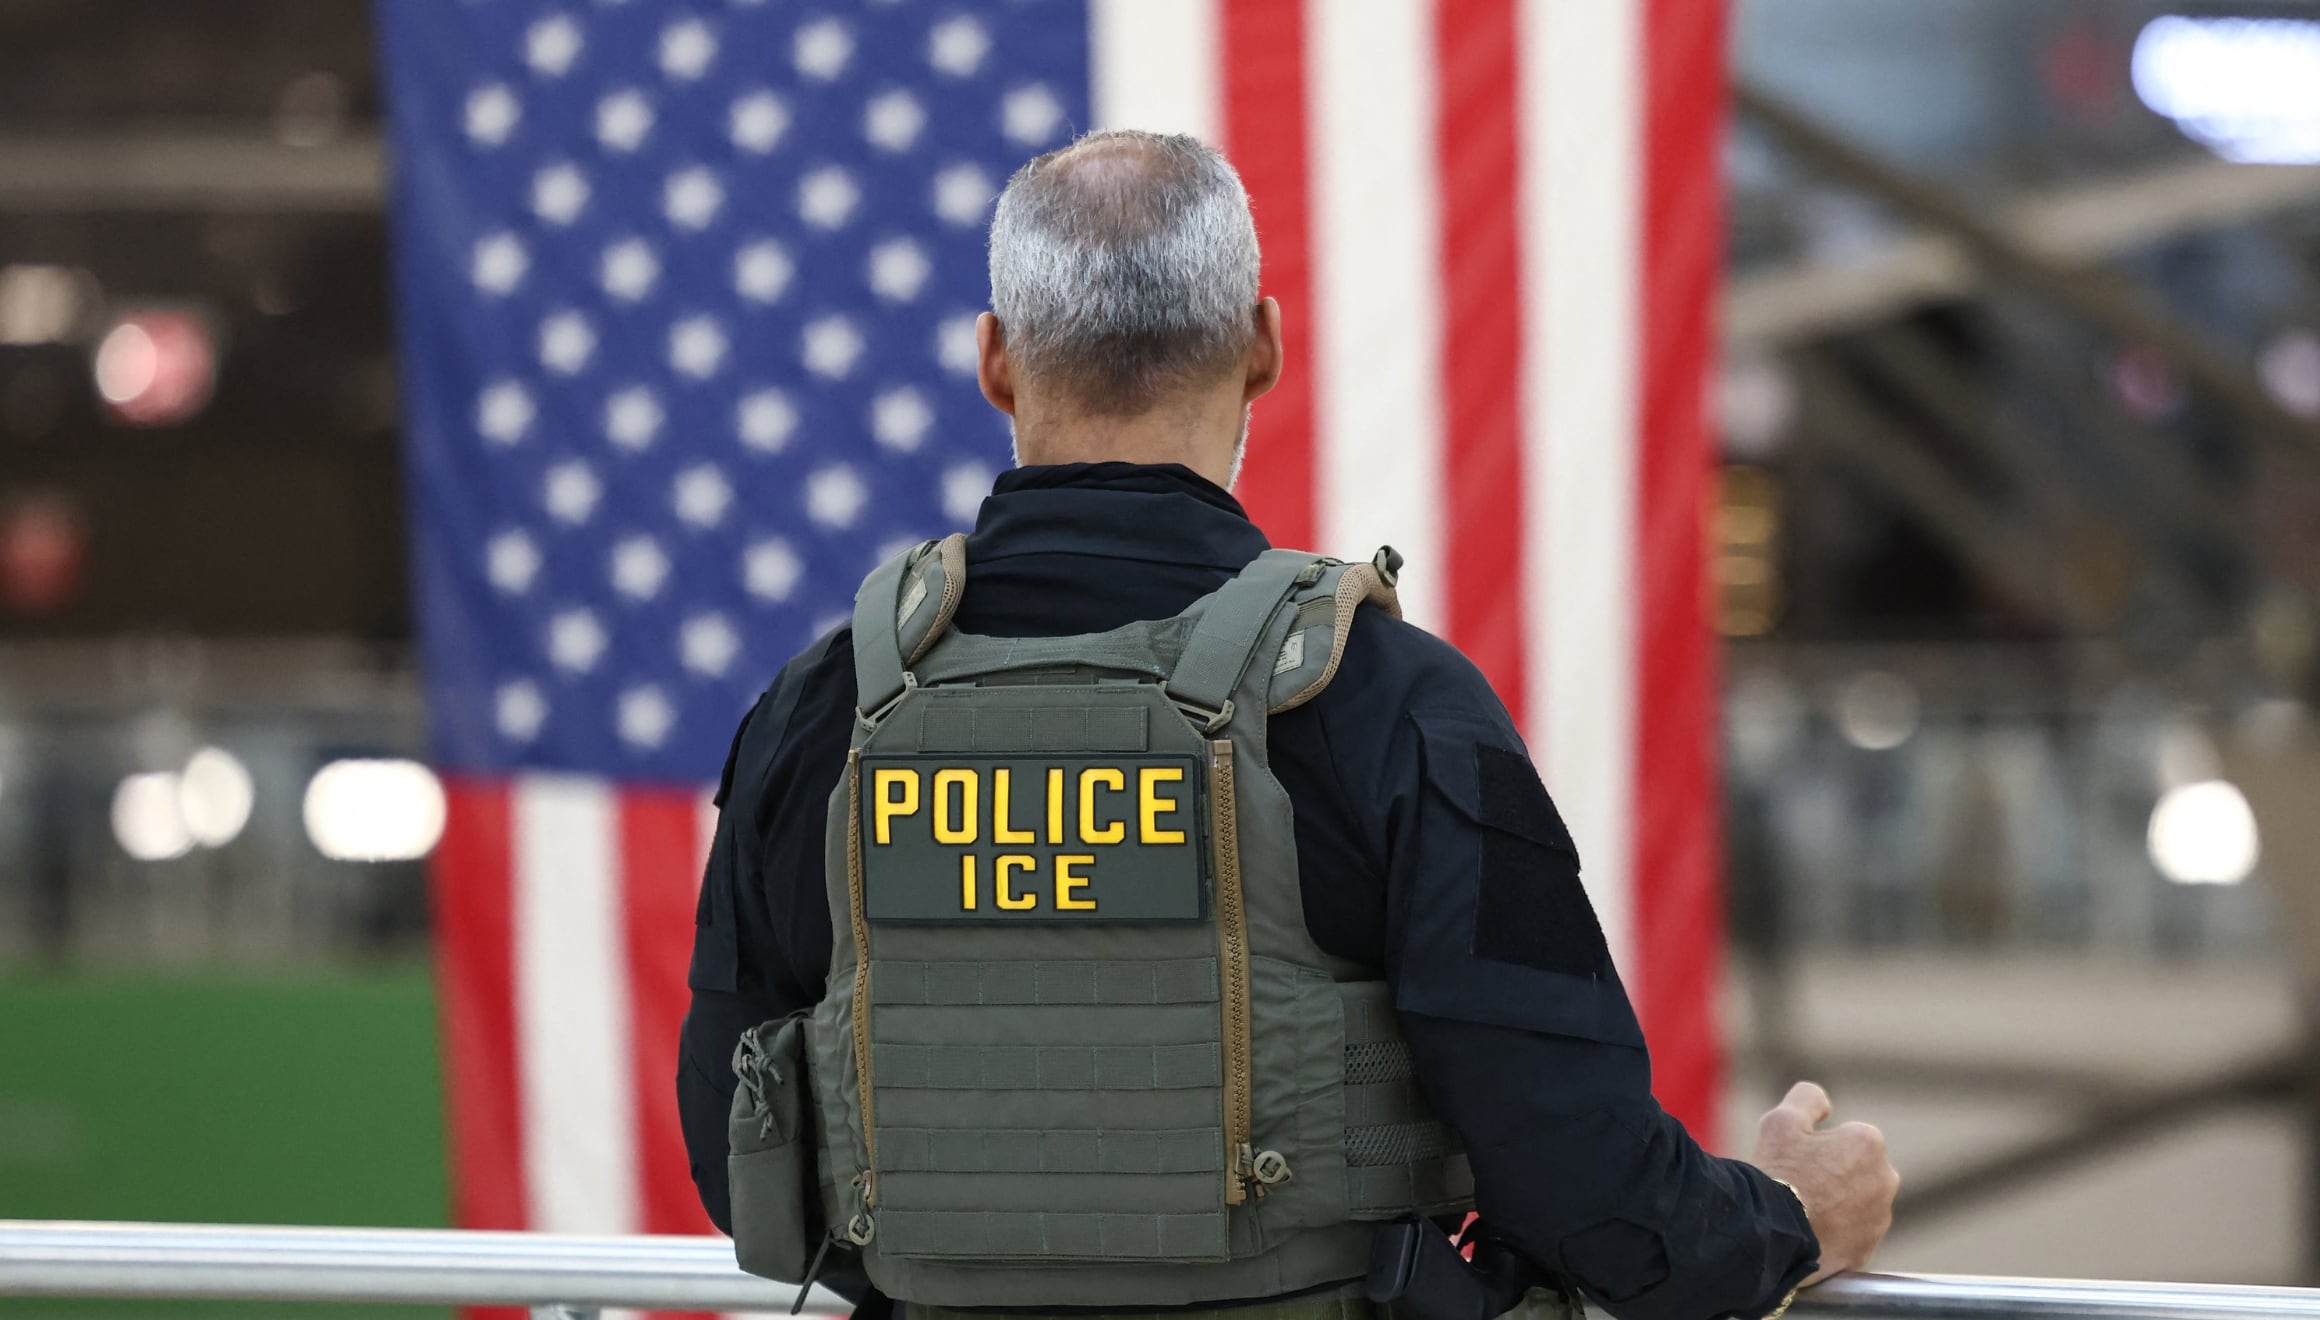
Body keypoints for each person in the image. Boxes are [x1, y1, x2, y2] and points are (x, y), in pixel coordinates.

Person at [679, 129, 1898, 1320]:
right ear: (1261, 346)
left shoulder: (820, 711)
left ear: (994, 359)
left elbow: (745, 1167)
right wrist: (1787, 1215)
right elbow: (1591, 1193)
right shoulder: (1388, 702)